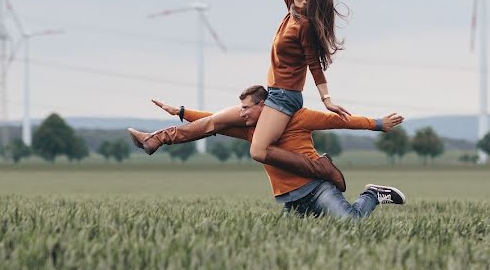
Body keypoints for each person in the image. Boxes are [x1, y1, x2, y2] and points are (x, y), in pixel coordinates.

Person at [128, 0, 350, 190]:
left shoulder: (304, 27)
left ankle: (321, 168)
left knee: (258, 151)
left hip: (285, 100)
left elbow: (314, 65)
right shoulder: (291, 13)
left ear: (309, 2)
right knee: (213, 122)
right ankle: (156, 139)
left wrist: (326, 99)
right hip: (273, 94)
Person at [150, 86, 407, 219]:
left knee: (351, 224)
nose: (241, 113)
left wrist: (376, 124)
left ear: (263, 105)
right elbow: (214, 121)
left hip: (317, 188)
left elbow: (338, 120)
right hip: (290, 199)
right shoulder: (250, 130)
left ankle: (372, 194)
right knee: (284, 241)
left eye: (246, 108)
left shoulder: (299, 117)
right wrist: (182, 113)